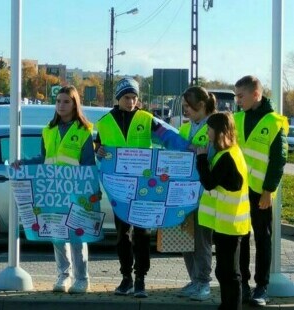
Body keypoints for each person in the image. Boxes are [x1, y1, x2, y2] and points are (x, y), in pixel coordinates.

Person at [95, 77, 190, 298]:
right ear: (118, 97)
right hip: (119, 190)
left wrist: (190, 148)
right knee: (122, 236)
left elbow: (169, 138)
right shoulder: (104, 122)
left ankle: (140, 279)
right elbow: (98, 146)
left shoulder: (148, 119)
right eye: (127, 97)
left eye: (134, 98)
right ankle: (126, 277)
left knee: (141, 234)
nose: (131, 102)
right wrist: (98, 149)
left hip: (144, 189)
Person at [13, 85, 95, 294]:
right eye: (58, 101)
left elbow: (88, 163)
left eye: (66, 101)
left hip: (75, 190)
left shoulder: (84, 131)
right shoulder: (48, 130)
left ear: (75, 104)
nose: (61, 105)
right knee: (57, 234)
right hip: (52, 189)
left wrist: (92, 190)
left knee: (77, 235)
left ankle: (82, 278)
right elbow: (44, 158)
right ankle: (63, 275)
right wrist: (23, 163)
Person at [234, 75, 289, 306]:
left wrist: (268, 190)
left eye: (240, 96)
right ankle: (244, 285)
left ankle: (262, 288)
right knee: (242, 239)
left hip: (261, 193)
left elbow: (279, 160)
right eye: (236, 96)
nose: (237, 101)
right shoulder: (235, 118)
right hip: (237, 191)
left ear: (256, 94)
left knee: (263, 240)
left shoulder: (275, 122)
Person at [196, 112, 251, 310]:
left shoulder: (227, 156)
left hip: (231, 223)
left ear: (218, 131)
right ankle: (226, 305)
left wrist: (201, 159)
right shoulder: (229, 152)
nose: (207, 133)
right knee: (224, 271)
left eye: (209, 129)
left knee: (229, 272)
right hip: (227, 222)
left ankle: (232, 306)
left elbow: (209, 183)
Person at [176, 86, 216, 301]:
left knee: (201, 240)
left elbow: (215, 156)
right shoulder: (184, 128)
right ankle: (194, 280)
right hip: (182, 193)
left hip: (203, 193)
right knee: (186, 238)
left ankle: (203, 282)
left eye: (187, 107)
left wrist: (195, 150)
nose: (185, 111)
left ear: (201, 105)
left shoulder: (214, 126)